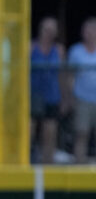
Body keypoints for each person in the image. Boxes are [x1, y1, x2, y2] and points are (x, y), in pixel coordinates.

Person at [29, 16, 65, 164]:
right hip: (32, 95)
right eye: (46, 29)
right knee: (28, 132)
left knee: (49, 134)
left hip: (52, 96)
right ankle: (26, 165)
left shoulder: (59, 50)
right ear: (40, 30)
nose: (48, 33)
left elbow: (63, 76)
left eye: (52, 30)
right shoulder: (30, 47)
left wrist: (66, 98)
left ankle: (48, 166)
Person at [67, 17, 96, 163]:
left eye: (92, 30)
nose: (89, 33)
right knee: (81, 134)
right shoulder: (75, 51)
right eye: (86, 30)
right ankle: (80, 166)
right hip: (82, 99)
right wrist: (71, 98)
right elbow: (69, 76)